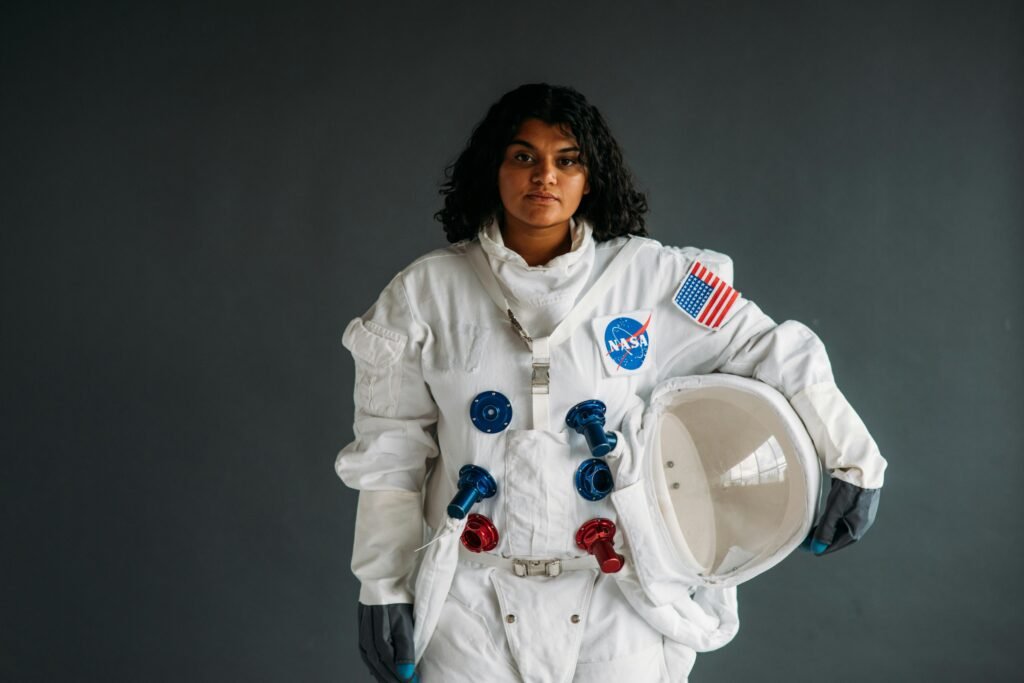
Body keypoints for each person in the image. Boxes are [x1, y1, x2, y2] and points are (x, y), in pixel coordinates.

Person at [336, 83, 886, 683]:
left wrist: (850, 457)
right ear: (492, 170)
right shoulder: (424, 295)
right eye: (523, 157)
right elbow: (391, 453)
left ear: (590, 177)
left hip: (615, 594)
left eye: (566, 160)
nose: (544, 176)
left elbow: (769, 345)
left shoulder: (651, 281)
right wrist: (382, 584)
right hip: (473, 603)